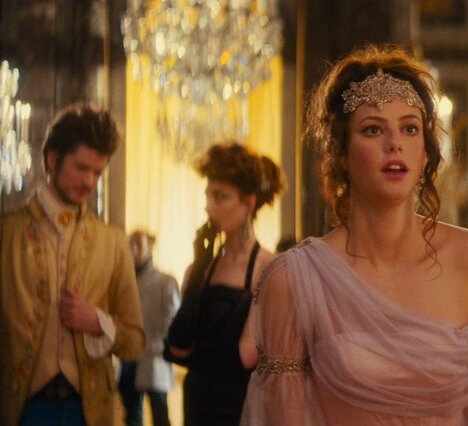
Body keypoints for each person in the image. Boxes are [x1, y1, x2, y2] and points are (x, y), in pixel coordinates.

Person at [239, 44, 468, 425]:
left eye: (409, 128)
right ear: (339, 151)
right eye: (373, 129)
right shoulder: (295, 280)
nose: (395, 144)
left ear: (426, 152)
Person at [0, 103, 144, 425]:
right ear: (52, 159)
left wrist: (98, 321)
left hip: (89, 410)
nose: (90, 181)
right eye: (81, 168)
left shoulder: (112, 241)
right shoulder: (7, 233)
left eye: (98, 172)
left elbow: (134, 341)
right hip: (20, 408)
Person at [164, 142, 283, 425]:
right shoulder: (200, 268)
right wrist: (198, 270)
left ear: (248, 203)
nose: (209, 207)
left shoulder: (268, 268)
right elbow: (178, 348)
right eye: (208, 196)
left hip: (239, 407)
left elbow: (244, 356)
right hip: (196, 404)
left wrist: (198, 352)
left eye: (220, 197)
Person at [119, 230, 180, 426]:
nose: (134, 249)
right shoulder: (124, 283)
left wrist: (156, 343)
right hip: (128, 358)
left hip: (155, 356)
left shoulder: (166, 281)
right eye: (130, 244)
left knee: (160, 415)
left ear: (150, 246)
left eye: (139, 244)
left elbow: (173, 323)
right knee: (131, 415)